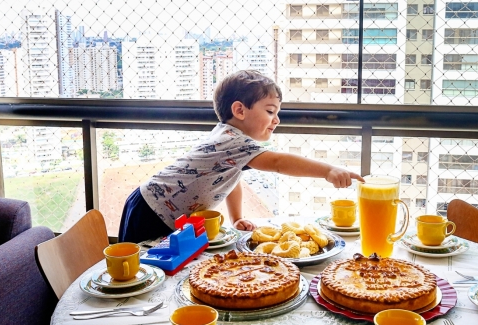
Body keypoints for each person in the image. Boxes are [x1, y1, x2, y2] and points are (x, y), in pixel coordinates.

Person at [118, 70, 364, 243]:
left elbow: (229, 180)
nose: (276, 120)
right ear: (239, 110)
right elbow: (278, 163)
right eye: (270, 111)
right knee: (141, 269)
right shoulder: (233, 139)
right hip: (151, 211)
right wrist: (327, 170)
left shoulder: (230, 142)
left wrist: (236, 218)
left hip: (152, 206)